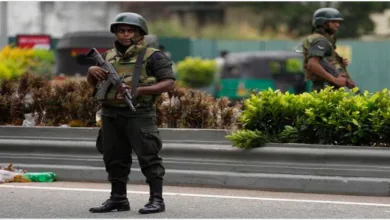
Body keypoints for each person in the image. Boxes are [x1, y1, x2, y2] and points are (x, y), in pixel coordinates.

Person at [86, 12, 175, 214]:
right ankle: (118, 199)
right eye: (121, 31)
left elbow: (168, 82)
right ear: (116, 33)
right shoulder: (107, 56)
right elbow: (94, 85)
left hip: (139, 114)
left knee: (149, 156)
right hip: (110, 114)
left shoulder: (153, 56)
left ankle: (157, 200)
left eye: (130, 31)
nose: (125, 35)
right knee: (113, 157)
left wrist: (140, 90)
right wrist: (92, 72)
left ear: (140, 33)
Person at [302, 7, 356, 92]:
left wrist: (339, 63)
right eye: (333, 21)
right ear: (322, 23)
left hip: (327, 87)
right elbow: (312, 64)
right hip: (325, 88)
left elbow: (324, 62)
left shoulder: (324, 40)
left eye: (338, 22)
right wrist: (335, 80)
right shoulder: (321, 40)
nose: (337, 25)